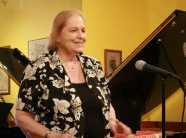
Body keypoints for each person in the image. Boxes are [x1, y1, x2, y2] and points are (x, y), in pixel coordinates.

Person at [15, 9, 132, 138]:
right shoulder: (39, 67)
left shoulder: (93, 65)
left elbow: (106, 103)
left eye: (83, 30)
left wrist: (112, 122)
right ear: (57, 36)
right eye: (74, 30)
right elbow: (21, 117)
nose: (81, 36)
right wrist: (53, 135)